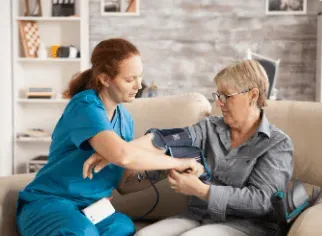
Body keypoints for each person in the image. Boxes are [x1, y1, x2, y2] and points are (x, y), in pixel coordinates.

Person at [84, 59, 294, 236]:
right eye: (218, 96)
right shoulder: (209, 127)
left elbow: (262, 201)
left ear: (253, 95)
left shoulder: (277, 144)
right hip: (197, 217)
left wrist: (202, 191)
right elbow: (164, 140)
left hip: (246, 225)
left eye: (226, 96)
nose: (219, 103)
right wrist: (116, 152)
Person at [16, 38, 203, 236]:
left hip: (91, 209)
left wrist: (166, 172)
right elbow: (123, 155)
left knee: (122, 227)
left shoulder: (125, 118)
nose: (139, 86)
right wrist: (176, 162)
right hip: (51, 203)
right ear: (105, 79)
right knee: (82, 232)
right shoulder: (85, 107)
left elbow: (123, 184)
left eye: (140, 77)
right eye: (130, 79)